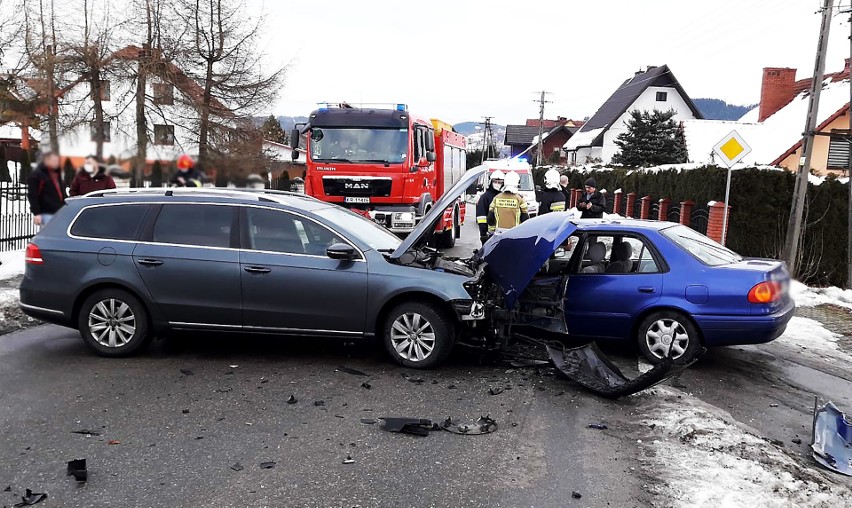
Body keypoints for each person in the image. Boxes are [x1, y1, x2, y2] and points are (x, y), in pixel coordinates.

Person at [26, 151, 66, 228]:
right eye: (54, 161)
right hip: (46, 212)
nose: (57, 163)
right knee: (48, 236)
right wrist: (36, 213)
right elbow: (33, 195)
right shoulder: (37, 175)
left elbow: (61, 192)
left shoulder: (56, 174)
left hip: (59, 211)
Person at [475, 170, 504, 245]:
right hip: (490, 234)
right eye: (495, 181)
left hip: (504, 233)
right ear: (491, 182)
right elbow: (481, 217)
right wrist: (483, 233)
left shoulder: (504, 196)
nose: (497, 184)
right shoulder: (485, 197)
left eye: (500, 182)